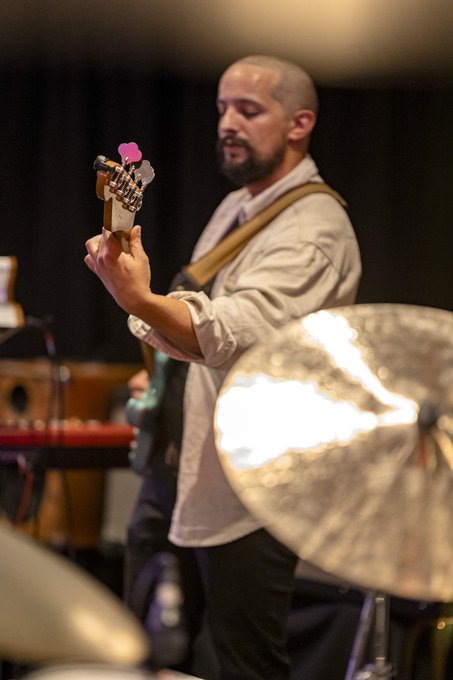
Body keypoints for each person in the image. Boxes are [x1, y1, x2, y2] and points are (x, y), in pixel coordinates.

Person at [85, 55, 362, 680]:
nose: (227, 123)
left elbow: (241, 330)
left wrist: (140, 302)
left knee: (242, 664)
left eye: (249, 110)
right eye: (221, 108)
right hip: (178, 467)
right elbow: (202, 315)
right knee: (145, 653)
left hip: (246, 491)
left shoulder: (315, 230)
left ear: (299, 124)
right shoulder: (240, 204)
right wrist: (161, 370)